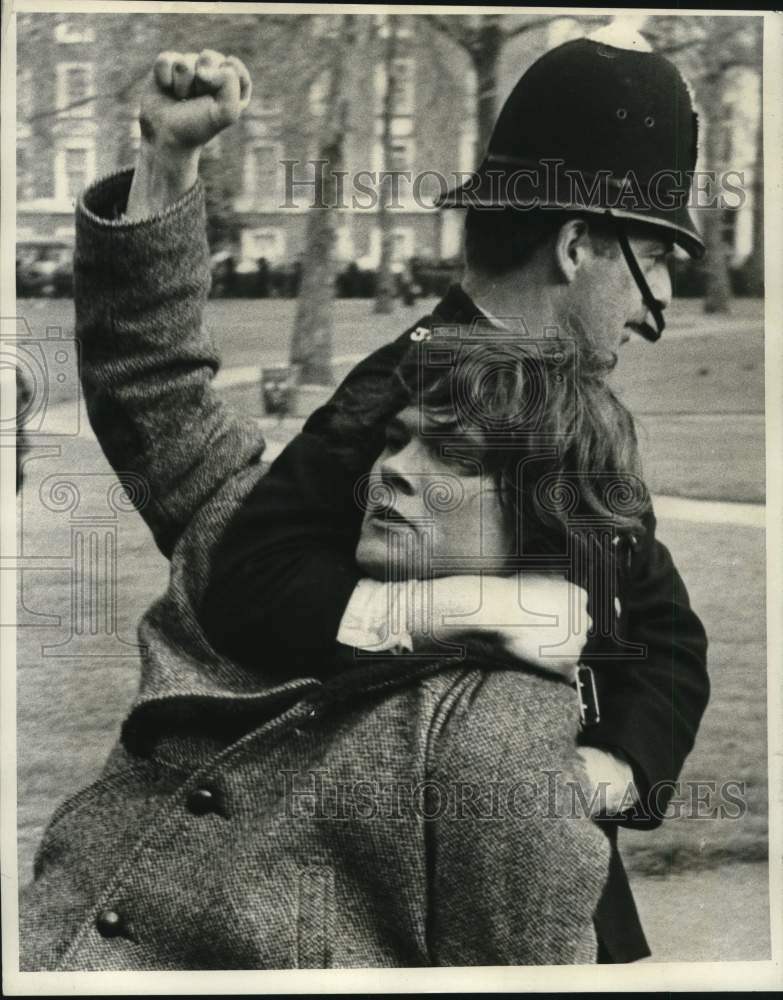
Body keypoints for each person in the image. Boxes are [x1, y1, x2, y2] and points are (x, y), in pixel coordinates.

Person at [19, 49, 610, 971]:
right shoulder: (248, 545)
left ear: (533, 518)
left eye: (452, 456)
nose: (396, 470)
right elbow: (151, 384)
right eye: (395, 438)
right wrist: (166, 161)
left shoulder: (492, 738)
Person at [200, 33, 711, 964]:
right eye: (655, 261)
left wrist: (611, 767)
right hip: (399, 901)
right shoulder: (403, 387)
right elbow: (246, 582)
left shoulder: (568, 406)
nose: (654, 308)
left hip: (554, 879)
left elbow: (664, 634)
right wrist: (469, 606)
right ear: (576, 245)